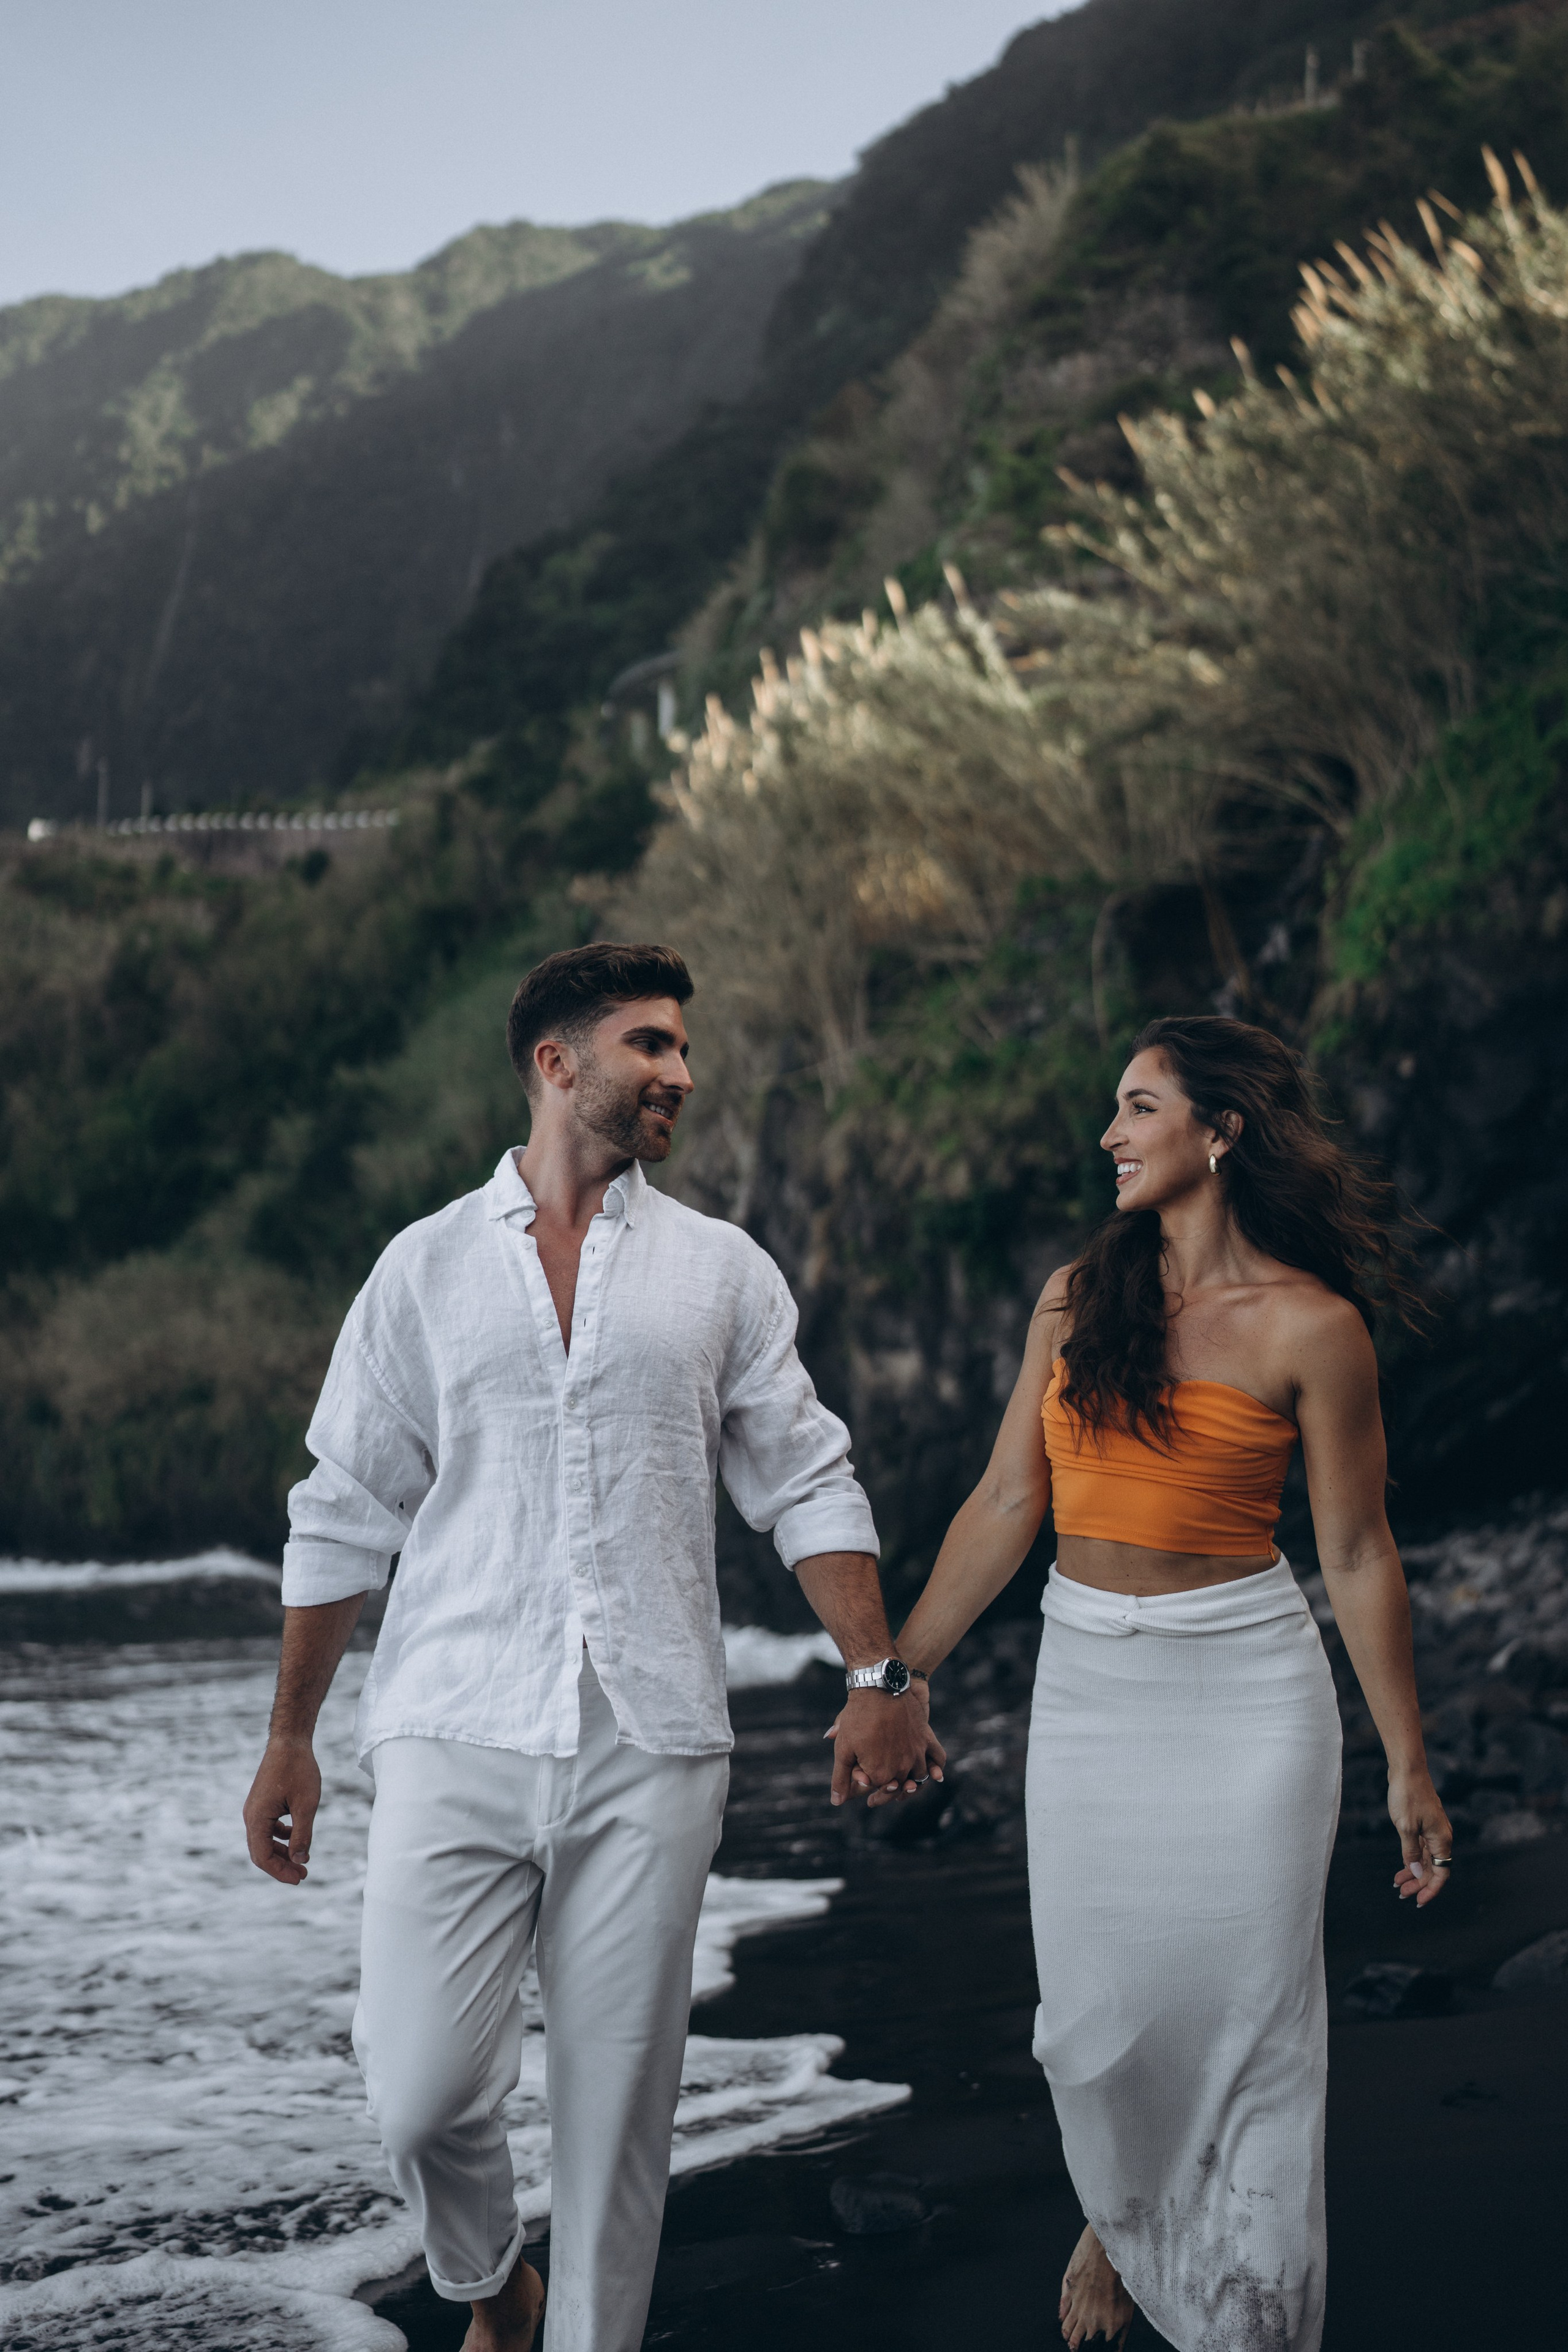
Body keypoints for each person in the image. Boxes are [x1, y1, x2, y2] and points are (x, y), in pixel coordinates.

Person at [242, 941, 944, 2352]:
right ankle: (488, 2280)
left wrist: (877, 1676)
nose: (679, 1072)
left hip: (656, 1734)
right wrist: (290, 1732)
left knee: (617, 2112)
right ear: (557, 1064)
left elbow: (805, 1479)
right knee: (421, 2090)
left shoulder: (719, 1272)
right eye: (648, 1046)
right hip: (453, 1716)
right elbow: (344, 1509)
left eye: (682, 1047)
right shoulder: (422, 1267)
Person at [890, 1016, 1451, 2352]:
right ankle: (1124, 2209)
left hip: (1248, 1696)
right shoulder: (1075, 1301)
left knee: (1250, 2019)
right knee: (1089, 2028)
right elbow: (1002, 1503)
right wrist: (892, 1673)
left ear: (1219, 1130)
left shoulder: (1311, 1328)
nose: (1109, 1135)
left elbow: (1358, 1551)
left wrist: (1408, 1765)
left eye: (1138, 1107)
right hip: (1088, 1690)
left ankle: (1246, 2323)